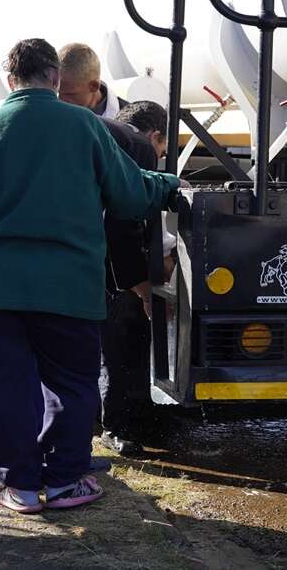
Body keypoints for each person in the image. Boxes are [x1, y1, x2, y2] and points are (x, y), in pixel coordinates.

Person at [0, 38, 180, 513]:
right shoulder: (85, 125)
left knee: (5, 388)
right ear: (53, 77)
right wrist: (169, 187)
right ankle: (66, 481)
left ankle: (20, 486)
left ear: (10, 81)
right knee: (71, 385)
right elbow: (130, 194)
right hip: (67, 286)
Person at [97, 101, 175, 456]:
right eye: (163, 147)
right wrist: (141, 287)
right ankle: (116, 426)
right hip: (113, 274)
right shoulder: (138, 148)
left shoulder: (105, 137)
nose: (159, 155)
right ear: (156, 135)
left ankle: (112, 419)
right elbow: (125, 224)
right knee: (119, 347)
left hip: (88, 262)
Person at [58, 42, 126, 119]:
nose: (60, 100)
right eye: (57, 92)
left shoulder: (132, 123)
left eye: (70, 94)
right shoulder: (50, 116)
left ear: (94, 86)